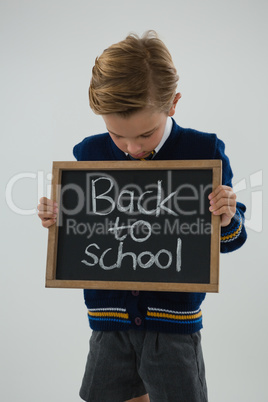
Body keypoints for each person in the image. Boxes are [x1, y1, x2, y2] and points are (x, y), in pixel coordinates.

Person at [38, 30, 247, 402]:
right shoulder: (89, 153)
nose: (132, 148)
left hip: (173, 326)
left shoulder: (203, 151)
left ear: (173, 104)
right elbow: (86, 230)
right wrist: (59, 219)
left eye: (145, 134)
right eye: (117, 136)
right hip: (108, 321)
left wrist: (227, 217)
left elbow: (230, 242)